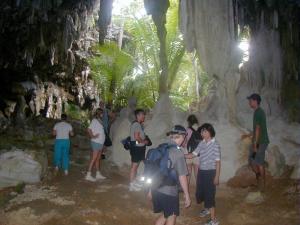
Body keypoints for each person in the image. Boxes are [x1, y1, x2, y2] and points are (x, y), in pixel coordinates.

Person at [148, 125, 191, 225]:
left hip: (156, 189)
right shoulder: (178, 152)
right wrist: (187, 195)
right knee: (171, 216)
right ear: (182, 136)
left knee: (166, 214)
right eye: (184, 137)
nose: (184, 140)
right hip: (169, 192)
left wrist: (150, 190)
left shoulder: (161, 147)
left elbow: (153, 170)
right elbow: (182, 176)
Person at [187, 123, 221, 225]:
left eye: (204, 131)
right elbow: (192, 155)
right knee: (201, 192)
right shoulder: (202, 143)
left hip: (210, 173)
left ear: (210, 132)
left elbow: (218, 162)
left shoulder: (215, 145)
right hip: (201, 172)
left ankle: (214, 220)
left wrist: (217, 177)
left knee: (209, 195)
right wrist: (180, 154)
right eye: (201, 131)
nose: (202, 133)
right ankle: (207, 209)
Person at [242, 93, 269, 190]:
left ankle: (263, 185)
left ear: (255, 101)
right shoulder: (257, 112)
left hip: (260, 143)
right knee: (252, 160)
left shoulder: (258, 112)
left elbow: (258, 129)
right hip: (258, 142)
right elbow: (257, 128)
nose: (249, 102)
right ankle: (259, 177)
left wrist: (255, 144)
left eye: (250, 100)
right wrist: (248, 135)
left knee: (259, 162)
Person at [129, 109, 148, 191]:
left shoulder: (138, 124)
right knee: (134, 166)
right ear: (138, 115)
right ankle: (131, 185)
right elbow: (136, 137)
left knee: (135, 166)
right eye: (143, 115)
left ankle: (133, 182)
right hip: (137, 148)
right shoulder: (136, 124)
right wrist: (143, 141)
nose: (144, 116)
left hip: (138, 148)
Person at [85, 108, 106, 182]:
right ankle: (88, 175)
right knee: (94, 158)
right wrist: (93, 136)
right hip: (96, 142)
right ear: (99, 113)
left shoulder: (100, 121)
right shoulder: (94, 120)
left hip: (100, 142)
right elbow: (88, 129)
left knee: (98, 159)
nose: (103, 115)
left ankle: (98, 174)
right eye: (102, 113)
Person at [183, 114, 200, 186]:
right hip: (197, 153)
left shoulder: (187, 130)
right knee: (197, 174)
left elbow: (184, 143)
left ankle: (185, 192)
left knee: (188, 173)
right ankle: (200, 192)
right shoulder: (200, 129)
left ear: (189, 122)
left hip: (188, 152)